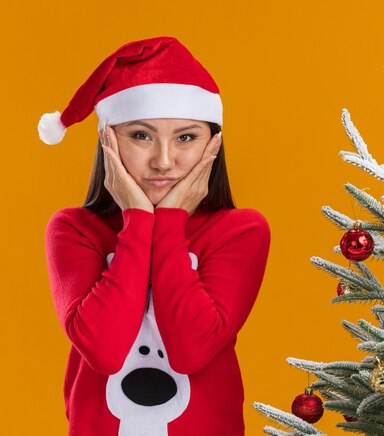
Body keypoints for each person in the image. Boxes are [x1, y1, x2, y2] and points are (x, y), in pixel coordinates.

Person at [39, 36, 271, 436]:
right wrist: (137, 217)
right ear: (108, 140)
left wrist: (169, 221)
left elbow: (190, 351)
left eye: (186, 137)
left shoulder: (240, 231)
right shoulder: (73, 230)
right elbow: (104, 351)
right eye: (141, 136)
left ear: (213, 144)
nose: (164, 160)